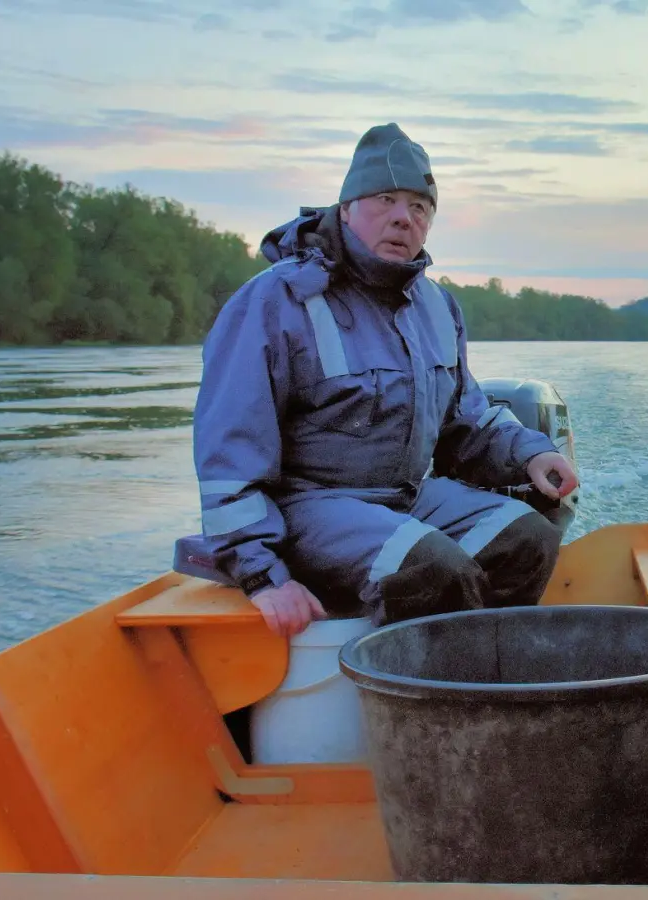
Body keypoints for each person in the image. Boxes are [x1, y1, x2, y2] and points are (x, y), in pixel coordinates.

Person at [189, 122, 579, 638]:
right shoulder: (274, 302)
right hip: (308, 507)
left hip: (406, 496)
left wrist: (530, 453)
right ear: (346, 207)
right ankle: (429, 709)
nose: (403, 217)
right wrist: (262, 576)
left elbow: (467, 420)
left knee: (526, 538)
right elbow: (228, 451)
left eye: (419, 207)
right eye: (385, 199)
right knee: (428, 570)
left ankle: (488, 685)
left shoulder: (437, 305)